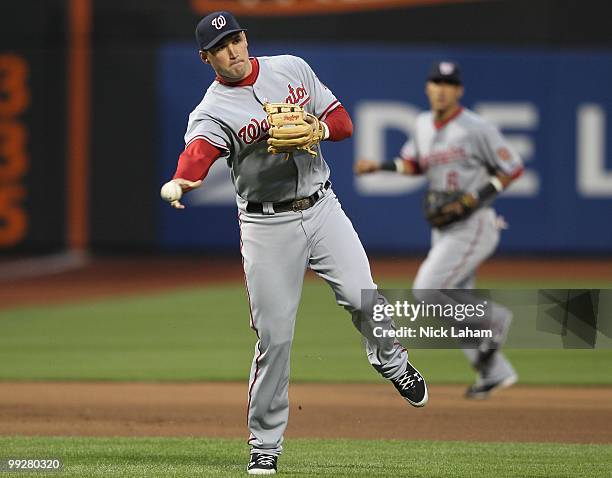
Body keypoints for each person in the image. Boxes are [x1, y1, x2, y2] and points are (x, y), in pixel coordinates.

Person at [162, 11, 427, 475]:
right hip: (266, 227)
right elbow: (198, 153)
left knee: (365, 298)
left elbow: (342, 122)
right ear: (206, 58)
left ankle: (392, 360)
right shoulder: (212, 110)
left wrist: (319, 129)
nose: (233, 50)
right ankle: (265, 444)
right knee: (274, 339)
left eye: (237, 38)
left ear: (246, 39)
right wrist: (183, 181)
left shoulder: (292, 68)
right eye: (221, 46)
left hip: (323, 207)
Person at [355, 61, 522, 400]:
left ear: (458, 90)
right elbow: (414, 163)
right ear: (428, 88)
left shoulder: (477, 127)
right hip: (444, 229)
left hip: (474, 224)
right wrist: (380, 166)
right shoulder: (421, 125)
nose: (442, 88)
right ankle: (494, 372)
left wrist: (477, 195)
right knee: (452, 303)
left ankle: (496, 320)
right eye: (436, 82)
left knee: (427, 290)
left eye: (449, 83)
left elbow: (512, 167)